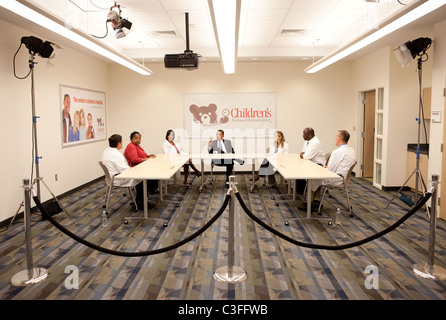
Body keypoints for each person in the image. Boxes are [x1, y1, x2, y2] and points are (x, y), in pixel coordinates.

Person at [101, 134, 153, 210]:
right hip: (119, 178)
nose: (122, 143)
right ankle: (141, 203)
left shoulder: (106, 151)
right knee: (143, 178)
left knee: (141, 175)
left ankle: (139, 200)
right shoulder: (116, 155)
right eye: (122, 141)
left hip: (110, 178)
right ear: (119, 143)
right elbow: (125, 170)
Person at [311, 129, 356, 202]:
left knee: (313, 179)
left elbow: (329, 171)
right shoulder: (352, 151)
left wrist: (325, 168)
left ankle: (310, 203)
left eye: (336, 136)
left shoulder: (337, 152)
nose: (335, 138)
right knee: (317, 179)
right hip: (344, 179)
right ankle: (316, 200)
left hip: (336, 179)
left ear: (339, 139)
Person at [296, 127, 325, 194]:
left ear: (310, 135)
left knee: (300, 170)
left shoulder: (315, 143)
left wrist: (304, 155)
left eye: (304, 134)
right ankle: (301, 190)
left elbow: (306, 156)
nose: (302, 135)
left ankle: (305, 192)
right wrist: (303, 154)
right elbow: (303, 152)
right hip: (310, 162)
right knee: (298, 169)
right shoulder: (307, 141)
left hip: (318, 165)